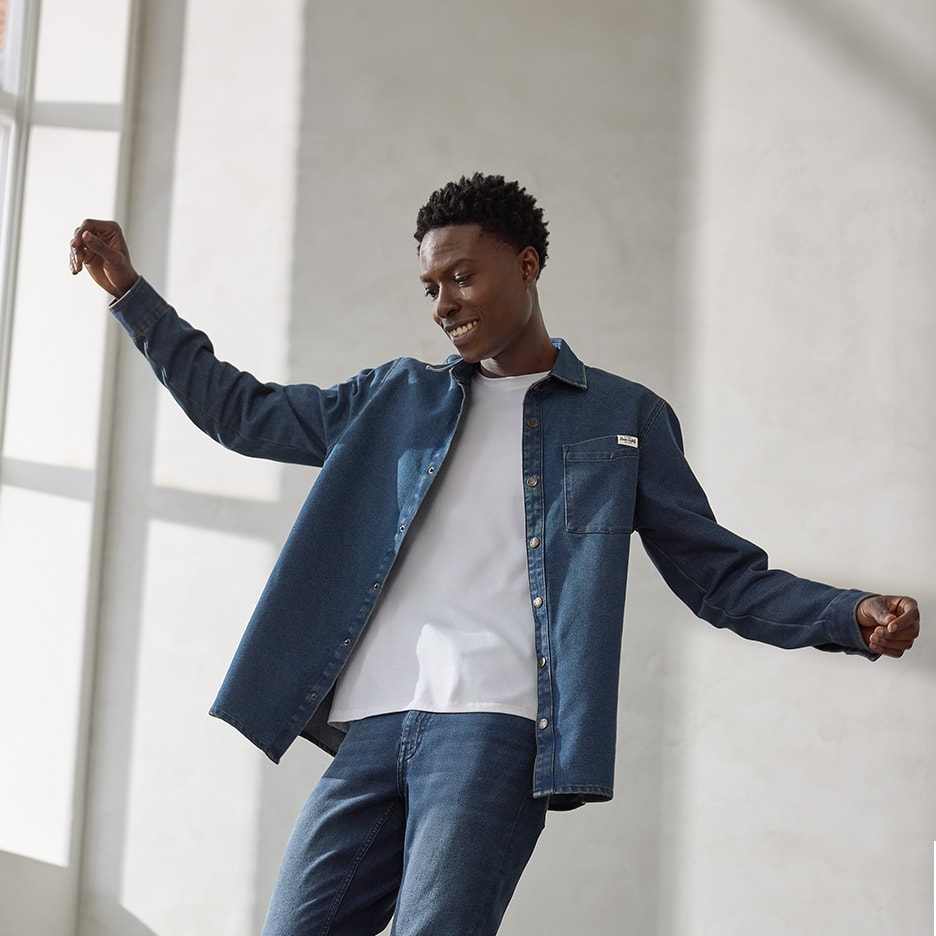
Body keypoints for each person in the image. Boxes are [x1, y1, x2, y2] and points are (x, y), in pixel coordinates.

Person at [70, 173, 920, 935]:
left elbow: (719, 577)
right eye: (430, 287)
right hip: (373, 725)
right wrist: (133, 297)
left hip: (495, 726)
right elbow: (242, 414)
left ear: (527, 264)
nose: (443, 302)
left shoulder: (622, 417)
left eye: (462, 277)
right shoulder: (392, 398)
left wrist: (846, 614)